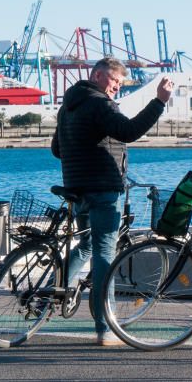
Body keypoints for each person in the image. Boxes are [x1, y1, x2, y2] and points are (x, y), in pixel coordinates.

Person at [51, 57, 173, 346]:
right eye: (113, 80)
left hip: (76, 188)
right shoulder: (99, 103)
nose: (116, 87)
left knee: (88, 245)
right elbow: (129, 131)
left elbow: (58, 149)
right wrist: (159, 101)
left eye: (119, 83)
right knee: (105, 254)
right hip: (103, 190)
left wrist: (86, 153)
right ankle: (105, 327)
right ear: (96, 76)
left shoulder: (68, 105)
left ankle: (52, 294)